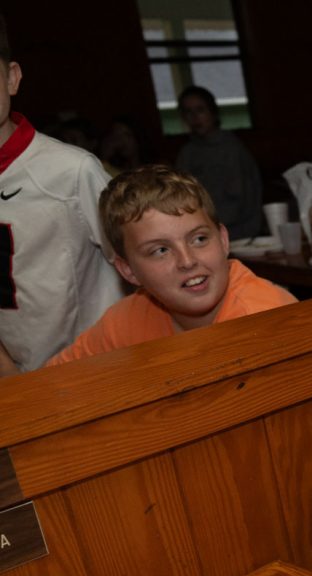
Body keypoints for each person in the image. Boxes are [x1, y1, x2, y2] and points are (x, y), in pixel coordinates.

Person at [46, 166, 294, 366]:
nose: (187, 261)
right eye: (161, 251)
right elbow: (54, 382)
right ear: (129, 270)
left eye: (199, 239)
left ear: (223, 240)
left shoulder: (263, 321)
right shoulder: (127, 319)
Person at [0, 14, 124, 375]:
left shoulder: (71, 171)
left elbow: (139, 264)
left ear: (11, 78)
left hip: (97, 371)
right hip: (20, 382)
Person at [175, 86, 262, 240]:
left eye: (200, 110)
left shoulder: (231, 148)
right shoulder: (186, 153)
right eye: (188, 112)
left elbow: (241, 203)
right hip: (200, 232)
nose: (194, 117)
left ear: (213, 112)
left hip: (238, 234)